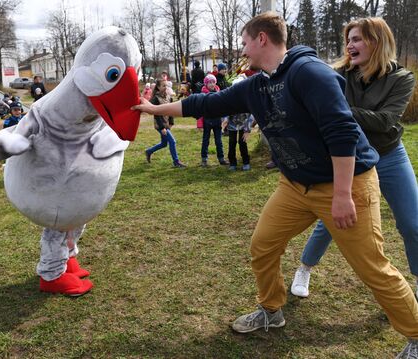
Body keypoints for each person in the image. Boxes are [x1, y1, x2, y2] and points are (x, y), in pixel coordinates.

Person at [132, 12, 418, 357]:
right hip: (295, 187)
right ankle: (271, 311)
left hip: (347, 184)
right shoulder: (258, 83)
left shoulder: (309, 73)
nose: (242, 50)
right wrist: (154, 108)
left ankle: (415, 333)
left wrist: (342, 195)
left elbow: (343, 134)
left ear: (262, 39)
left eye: (244, 43)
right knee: (263, 246)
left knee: (372, 268)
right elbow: (207, 103)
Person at [290, 17, 418, 302]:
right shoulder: (337, 74)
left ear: (377, 41)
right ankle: (305, 268)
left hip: (389, 155)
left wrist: (337, 109)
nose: (350, 45)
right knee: (336, 218)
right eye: (348, 40)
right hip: (353, 158)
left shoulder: (402, 78)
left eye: (357, 39)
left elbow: (385, 121)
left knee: (413, 223)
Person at [144, 79, 186, 168]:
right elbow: (156, 114)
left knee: (164, 143)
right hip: (160, 125)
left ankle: (149, 151)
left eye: (166, 85)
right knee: (172, 141)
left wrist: (171, 122)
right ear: (158, 87)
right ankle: (176, 161)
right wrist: (162, 127)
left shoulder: (168, 97)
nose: (165, 87)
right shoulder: (156, 98)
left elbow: (171, 110)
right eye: (163, 85)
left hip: (166, 124)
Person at [200, 74, 228, 167]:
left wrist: (224, 118)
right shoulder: (203, 94)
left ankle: (221, 158)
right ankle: (204, 159)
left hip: (217, 120)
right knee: (205, 140)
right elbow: (200, 108)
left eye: (213, 82)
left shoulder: (219, 93)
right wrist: (199, 123)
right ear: (206, 84)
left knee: (219, 141)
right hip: (207, 120)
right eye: (209, 82)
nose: (212, 84)